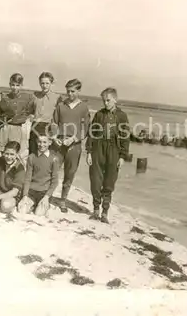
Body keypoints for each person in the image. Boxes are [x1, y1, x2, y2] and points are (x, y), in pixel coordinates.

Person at [86, 87, 130, 224]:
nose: (105, 103)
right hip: (98, 148)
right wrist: (89, 152)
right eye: (104, 100)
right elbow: (92, 134)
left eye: (108, 100)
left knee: (109, 181)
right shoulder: (99, 114)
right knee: (95, 179)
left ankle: (105, 212)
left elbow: (125, 137)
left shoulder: (122, 116)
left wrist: (122, 156)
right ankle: (95, 210)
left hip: (114, 150)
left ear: (115, 100)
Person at [52, 78, 90, 213]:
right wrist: (54, 136)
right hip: (59, 143)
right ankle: (46, 195)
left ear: (79, 91)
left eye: (73, 91)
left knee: (70, 173)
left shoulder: (83, 107)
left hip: (74, 145)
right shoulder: (61, 105)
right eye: (68, 91)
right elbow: (54, 123)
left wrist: (73, 139)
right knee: (52, 169)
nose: (70, 94)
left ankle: (63, 200)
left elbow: (85, 129)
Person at [20, 135, 60, 216]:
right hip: (31, 191)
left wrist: (46, 197)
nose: (41, 145)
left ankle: (44, 205)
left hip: (44, 193)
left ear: (50, 143)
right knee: (21, 210)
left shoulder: (54, 159)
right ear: (36, 142)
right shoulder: (31, 157)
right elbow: (28, 178)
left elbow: (55, 181)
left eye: (44, 142)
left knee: (38, 214)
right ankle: (33, 204)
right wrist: (24, 195)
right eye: (39, 142)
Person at [0, 73, 34, 156]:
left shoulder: (27, 97)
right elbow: (0, 112)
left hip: (17, 127)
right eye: (12, 85)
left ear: (21, 85)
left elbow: (29, 111)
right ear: (9, 84)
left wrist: (23, 118)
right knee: (1, 149)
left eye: (17, 85)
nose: (14, 87)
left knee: (14, 151)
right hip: (4, 126)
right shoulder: (4, 97)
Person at [0, 141, 26, 214]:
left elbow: (14, 192)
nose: (9, 157)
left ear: (17, 154)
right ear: (3, 153)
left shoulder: (20, 168)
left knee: (5, 206)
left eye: (12, 154)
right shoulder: (2, 159)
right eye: (6, 153)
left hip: (10, 196)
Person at [29, 72, 62, 156]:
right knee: (33, 152)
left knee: (46, 154)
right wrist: (31, 116)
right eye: (42, 83)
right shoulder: (35, 95)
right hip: (35, 126)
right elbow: (30, 110)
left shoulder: (57, 97)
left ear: (51, 83)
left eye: (47, 83)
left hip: (48, 127)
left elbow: (59, 115)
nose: (44, 85)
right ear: (39, 83)